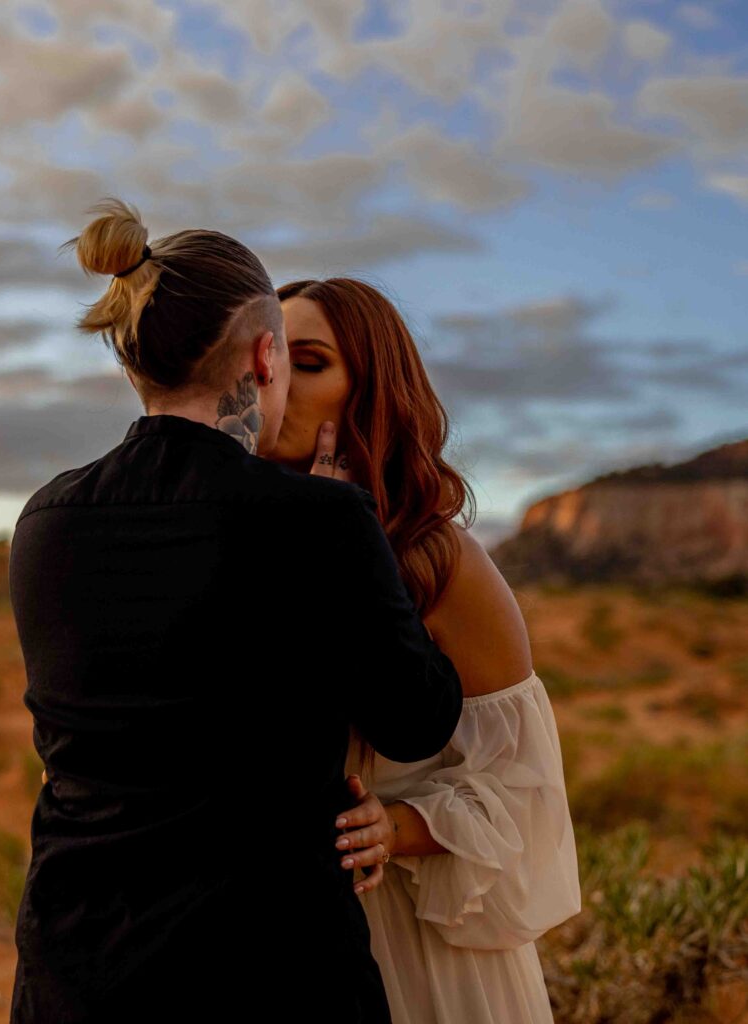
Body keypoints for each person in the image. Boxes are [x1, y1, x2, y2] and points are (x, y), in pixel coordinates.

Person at [8, 199, 464, 1022]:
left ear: (135, 361)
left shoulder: (44, 519)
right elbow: (416, 717)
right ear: (264, 356)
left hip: (73, 973)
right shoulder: (317, 520)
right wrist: (349, 536)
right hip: (267, 973)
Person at [268, 277, 582, 1024]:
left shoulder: (437, 558)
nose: (275, 382)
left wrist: (397, 828)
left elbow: (522, 787)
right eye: (267, 359)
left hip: (414, 944)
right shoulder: (226, 544)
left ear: (369, 393)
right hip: (270, 938)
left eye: (309, 363)